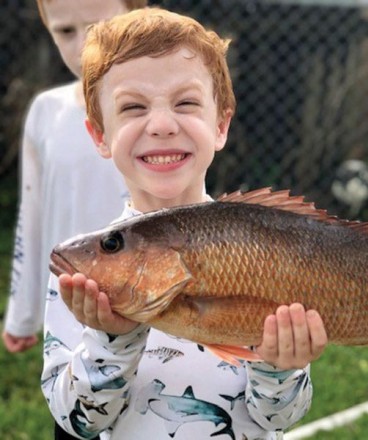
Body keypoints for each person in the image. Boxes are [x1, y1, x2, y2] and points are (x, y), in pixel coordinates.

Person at [41, 7, 328, 440]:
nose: (161, 125)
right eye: (133, 107)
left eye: (186, 103)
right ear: (100, 134)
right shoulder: (82, 277)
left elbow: (279, 418)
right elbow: (77, 423)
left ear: (221, 124)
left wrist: (279, 366)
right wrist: (109, 339)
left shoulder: (272, 248)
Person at [2, 0, 148, 353]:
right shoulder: (45, 111)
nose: (84, 46)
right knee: (76, 399)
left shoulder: (164, 114)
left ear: (138, 16)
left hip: (151, 307)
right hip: (68, 310)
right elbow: (32, 211)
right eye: (65, 31)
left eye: (99, 27)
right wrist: (22, 313)